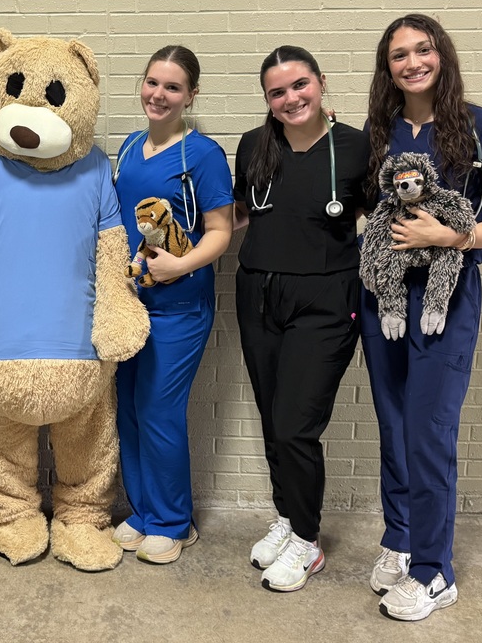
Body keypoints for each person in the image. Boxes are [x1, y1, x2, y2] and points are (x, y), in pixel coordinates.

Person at [361, 14, 482, 621]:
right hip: (388, 303)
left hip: (446, 303)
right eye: (398, 55)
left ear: (442, 55)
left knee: (429, 435)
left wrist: (450, 235)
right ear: (388, 69)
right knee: (395, 427)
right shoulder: (382, 130)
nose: (412, 62)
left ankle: (434, 573)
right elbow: (370, 208)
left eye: (422, 49)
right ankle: (400, 540)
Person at [232, 46, 370, 592]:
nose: (291, 98)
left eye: (300, 85)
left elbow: (374, 217)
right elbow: (241, 213)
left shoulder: (356, 147)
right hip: (258, 293)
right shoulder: (253, 145)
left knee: (296, 426)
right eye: (277, 92)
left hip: (327, 301)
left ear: (321, 83)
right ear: (267, 99)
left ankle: (308, 542)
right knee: (272, 420)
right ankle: (287, 519)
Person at [111, 45, 233, 564]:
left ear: (191, 95)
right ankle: (143, 512)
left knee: (160, 412)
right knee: (131, 414)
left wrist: (178, 267)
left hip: (180, 309)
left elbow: (221, 232)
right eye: (152, 83)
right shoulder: (129, 146)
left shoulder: (202, 155)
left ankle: (173, 522)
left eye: (173, 87)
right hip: (129, 306)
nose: (158, 95)